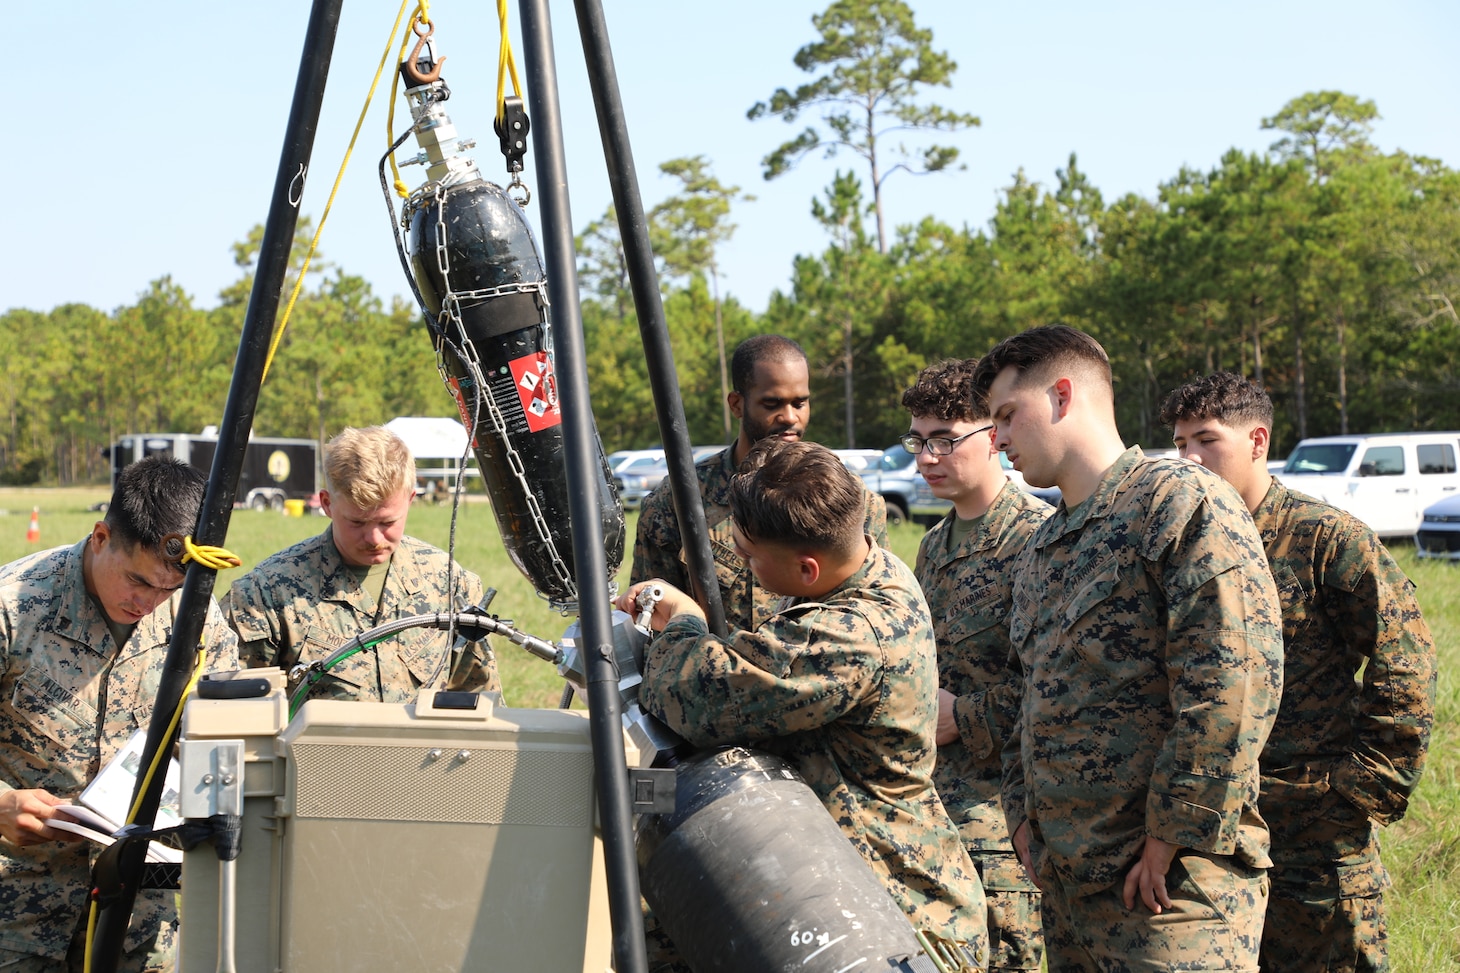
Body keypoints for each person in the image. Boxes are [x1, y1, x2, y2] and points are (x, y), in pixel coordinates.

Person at [971, 325, 1284, 972]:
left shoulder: (1181, 505)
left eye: (1006, 414)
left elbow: (1232, 686)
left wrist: (1170, 835)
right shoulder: (1043, 546)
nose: (996, 438)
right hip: (1069, 889)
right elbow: (1028, 692)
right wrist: (1021, 817)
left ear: (1062, 395)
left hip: (1174, 894)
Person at [620, 439, 988, 968]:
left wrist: (682, 621)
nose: (743, 566)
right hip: (829, 893)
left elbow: (697, 698)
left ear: (808, 569)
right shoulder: (861, 570)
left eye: (749, 556)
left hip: (893, 922)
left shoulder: (853, 635)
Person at [1161, 371, 1437, 973]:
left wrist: (1363, 782)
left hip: (1312, 823)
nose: (1189, 459)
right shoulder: (1179, 544)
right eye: (1179, 444)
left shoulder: (1323, 536)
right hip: (1210, 822)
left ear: (1257, 441)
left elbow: (1404, 655)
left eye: (1206, 440)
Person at [0, 456, 240, 972]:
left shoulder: (196, 623)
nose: (149, 603)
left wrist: (217, 801)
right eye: (138, 580)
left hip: (140, 910)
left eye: (167, 589)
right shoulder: (14, 608)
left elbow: (222, 739)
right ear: (101, 536)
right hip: (18, 907)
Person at [901, 358, 1051, 973]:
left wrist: (962, 715)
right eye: (918, 440)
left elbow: (1065, 689)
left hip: (1003, 823)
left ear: (994, 433)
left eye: (944, 439)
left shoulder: (1040, 540)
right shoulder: (934, 547)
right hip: (932, 813)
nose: (926, 457)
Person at [631, 334, 888, 632]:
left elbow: (875, 609)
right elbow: (648, 618)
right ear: (737, 404)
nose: (790, 418)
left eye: (800, 403)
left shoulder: (850, 499)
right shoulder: (678, 502)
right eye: (772, 404)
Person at [222, 426, 498, 703]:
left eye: (388, 522)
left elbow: (479, 699)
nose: (374, 538)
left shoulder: (448, 583)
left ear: (410, 500)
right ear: (327, 504)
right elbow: (236, 712)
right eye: (357, 522)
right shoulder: (266, 594)